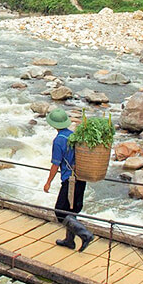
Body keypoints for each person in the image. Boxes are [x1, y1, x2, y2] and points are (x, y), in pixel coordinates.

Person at [42, 108, 94, 252]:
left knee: (60, 212)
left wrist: (48, 182)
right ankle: (69, 241)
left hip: (69, 180)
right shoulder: (73, 135)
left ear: (53, 125)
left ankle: (85, 235)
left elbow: (56, 163)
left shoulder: (58, 141)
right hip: (81, 178)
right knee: (72, 211)